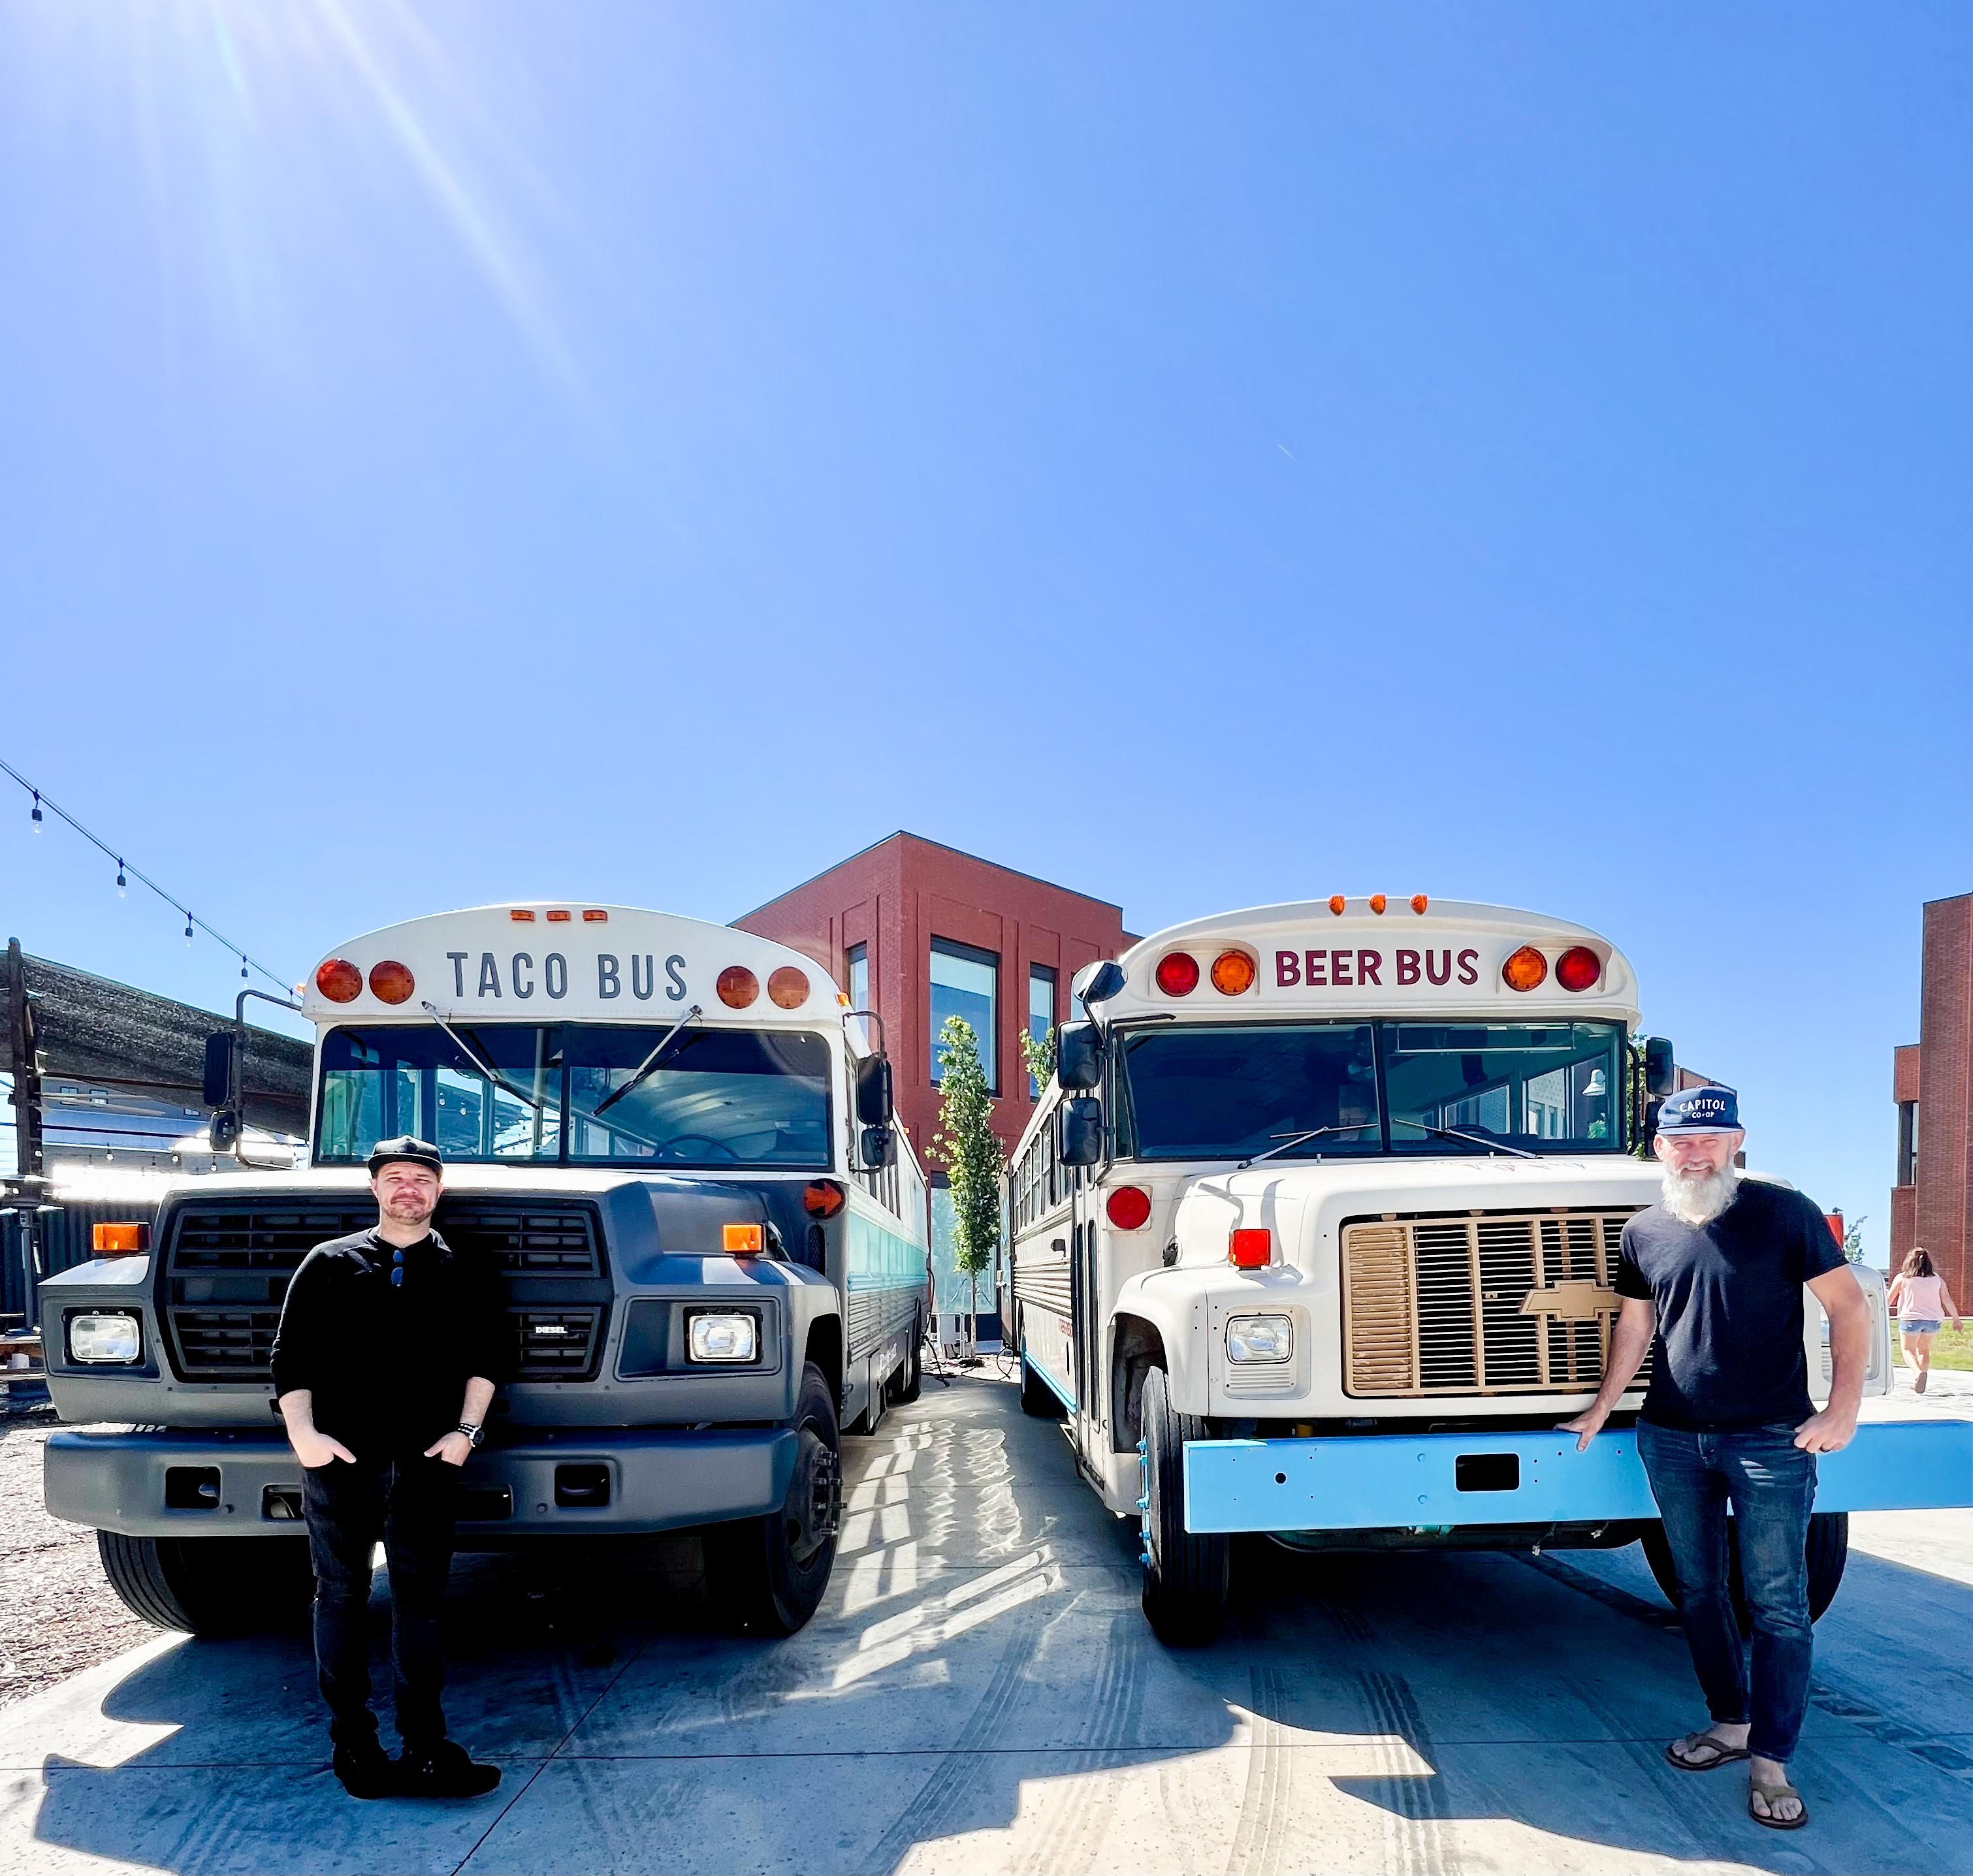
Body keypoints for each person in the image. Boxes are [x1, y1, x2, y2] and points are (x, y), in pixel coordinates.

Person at [1560, 1087, 1868, 1833]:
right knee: (1697, 1590)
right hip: (1670, 1435)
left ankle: (1772, 1757)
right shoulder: (1644, 1231)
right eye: (1680, 1142)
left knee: (1779, 1601)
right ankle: (1728, 1723)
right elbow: (1636, 1325)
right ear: (1659, 1149)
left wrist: (1841, 1409)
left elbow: (1848, 1306)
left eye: (1710, 1140)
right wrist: (1606, 1404)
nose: (1695, 1153)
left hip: (1771, 1437)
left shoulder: (1782, 1212)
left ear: (1737, 1142)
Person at [270, 1136, 508, 1800]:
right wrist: (306, 1438)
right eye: (395, 1177)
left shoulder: (463, 1266)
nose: (409, 1188)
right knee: (341, 1596)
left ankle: (427, 1748)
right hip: (343, 1461)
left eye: (421, 1178)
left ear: (439, 1189)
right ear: (374, 1187)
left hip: (428, 1463)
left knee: (421, 1605)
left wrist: (465, 1432)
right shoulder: (327, 1263)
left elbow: (488, 1355)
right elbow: (291, 1356)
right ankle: (355, 1745)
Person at [1886, 1247, 1961, 1395]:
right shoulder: (1937, 1279)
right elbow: (1946, 1299)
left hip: (1910, 1319)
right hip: (1933, 1320)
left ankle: (1918, 1374)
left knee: (1907, 1349)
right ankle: (1921, 1377)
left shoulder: (1903, 1278)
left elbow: (1889, 1299)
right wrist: (1956, 1319)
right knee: (1924, 1350)